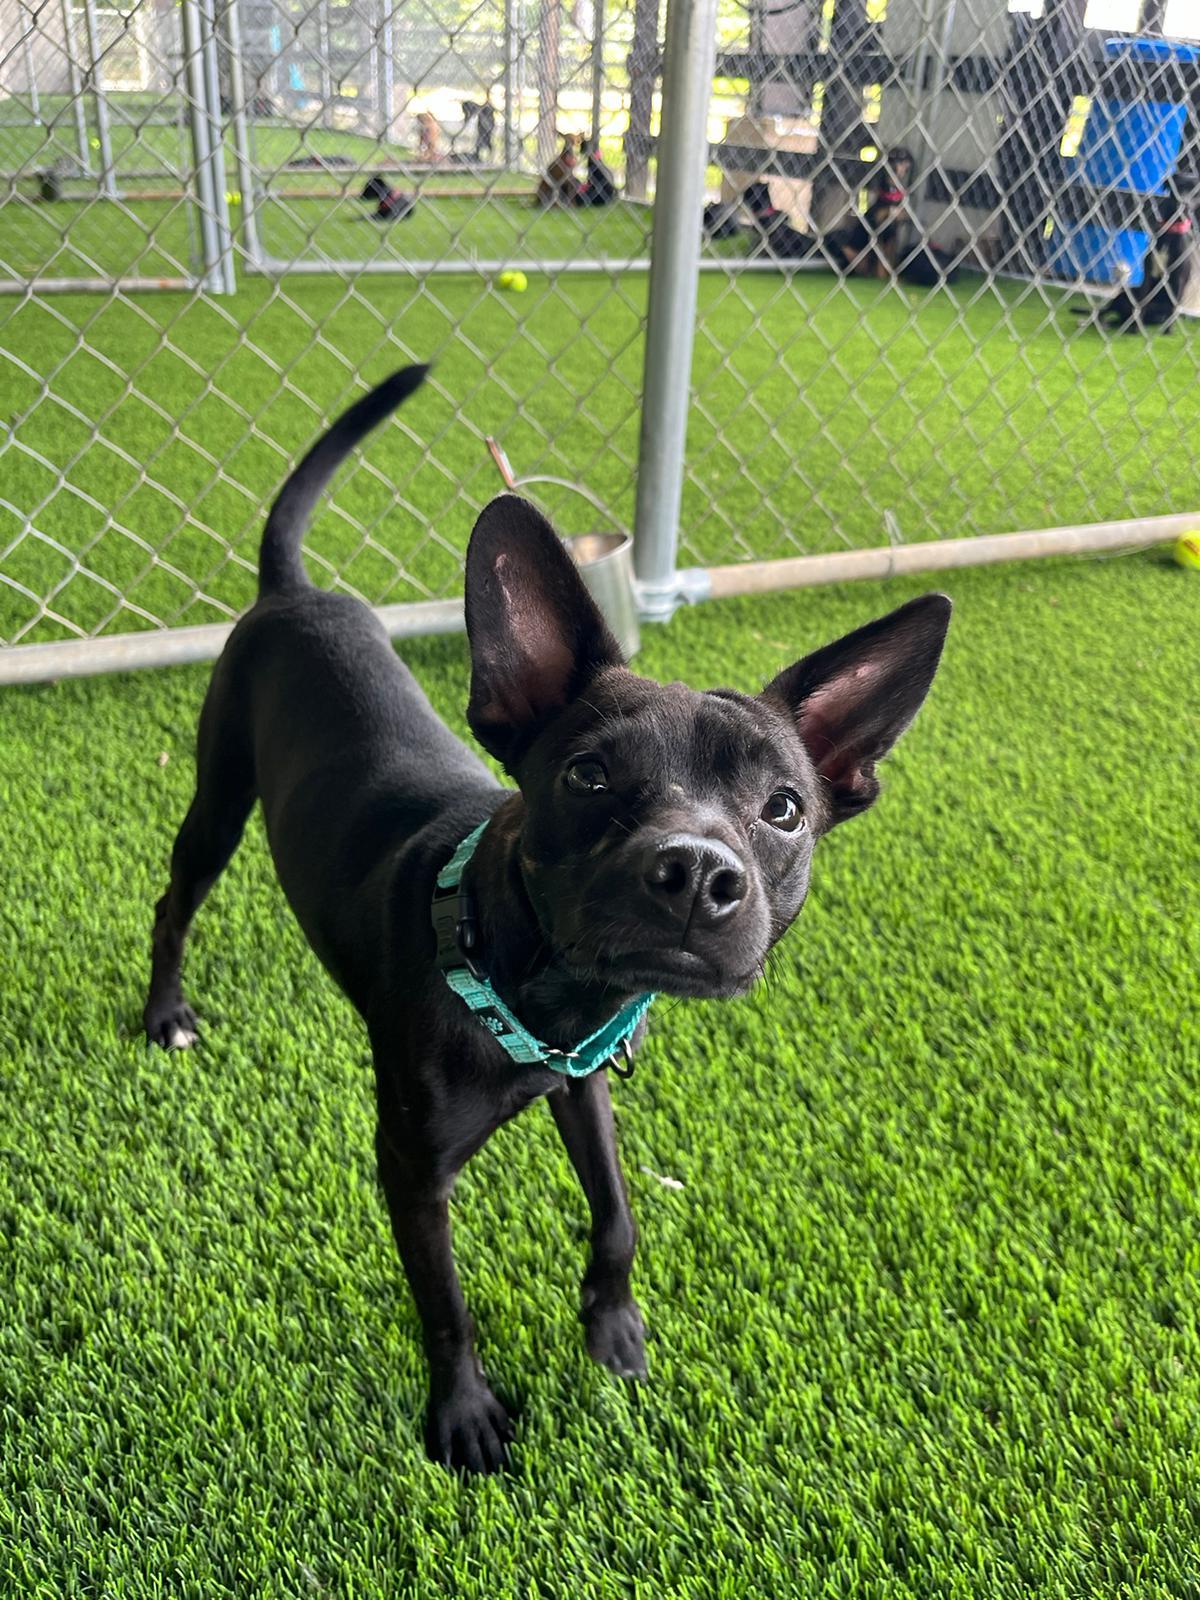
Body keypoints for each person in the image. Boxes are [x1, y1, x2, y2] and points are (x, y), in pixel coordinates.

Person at [573, 136, 616, 207]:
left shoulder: (593, 163)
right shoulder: (596, 161)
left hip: (601, 195)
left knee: (578, 198)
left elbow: (595, 182)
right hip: (604, 193)